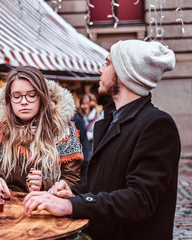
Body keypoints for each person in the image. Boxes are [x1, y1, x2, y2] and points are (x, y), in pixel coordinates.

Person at [23, 40, 180, 240]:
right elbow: (103, 183)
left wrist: (72, 205)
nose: (100, 69)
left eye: (107, 63)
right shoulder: (109, 120)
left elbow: (140, 200)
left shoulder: (157, 125)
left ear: (124, 73)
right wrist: (73, 192)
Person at [0, 66, 83, 199]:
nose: (23, 102)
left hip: (44, 210)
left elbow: (73, 181)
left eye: (32, 95)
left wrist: (44, 185)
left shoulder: (63, 130)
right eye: (16, 96)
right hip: (1, 208)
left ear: (42, 97)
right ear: (9, 99)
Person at [79, 93, 103, 159]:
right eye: (81, 104)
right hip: (84, 152)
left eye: (84, 104)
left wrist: (84, 135)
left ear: (91, 104)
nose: (82, 106)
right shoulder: (81, 116)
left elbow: (100, 133)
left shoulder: (100, 116)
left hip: (93, 151)